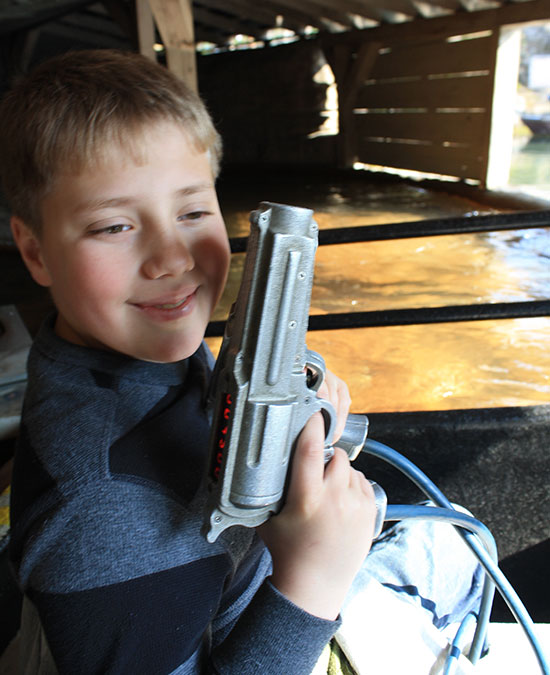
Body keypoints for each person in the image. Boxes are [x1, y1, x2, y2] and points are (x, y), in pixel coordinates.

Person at [0, 49, 378, 674]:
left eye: (193, 211)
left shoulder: (125, 343)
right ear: (35, 251)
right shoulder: (101, 517)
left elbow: (215, 393)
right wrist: (311, 586)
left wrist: (298, 394)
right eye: (115, 226)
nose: (171, 259)